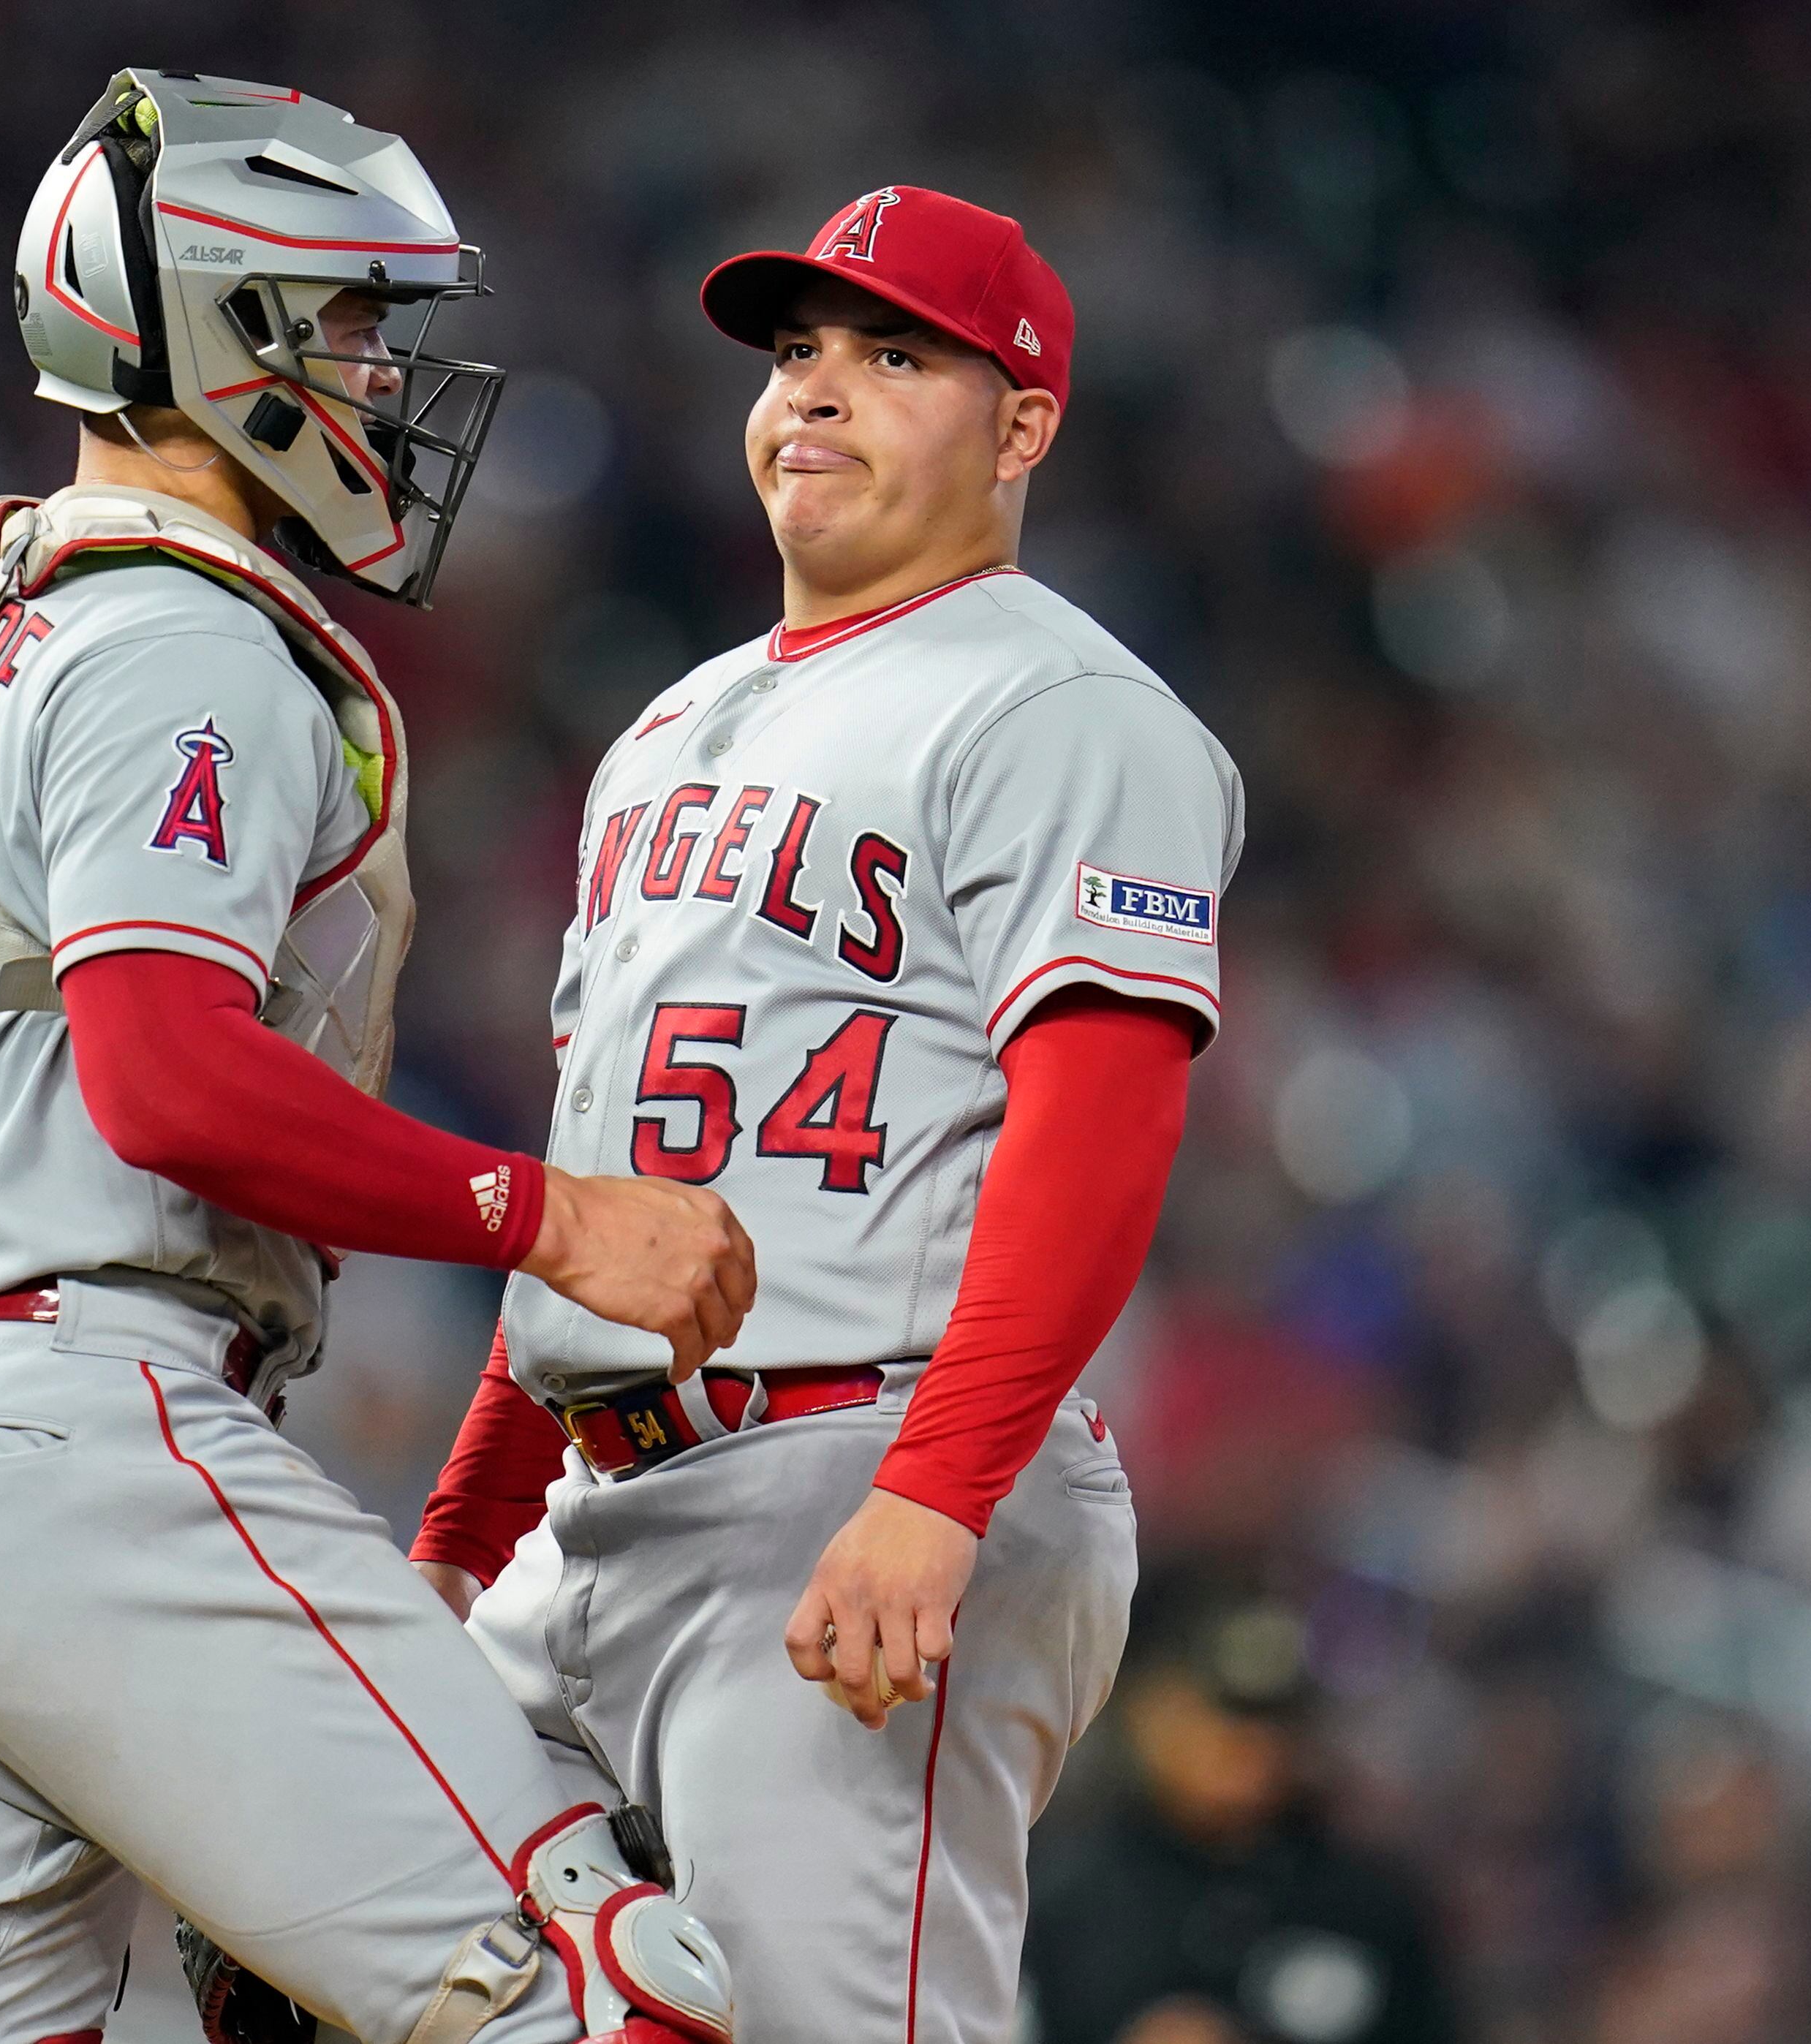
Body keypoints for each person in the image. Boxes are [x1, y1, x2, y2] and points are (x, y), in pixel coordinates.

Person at [0, 70, 747, 2044]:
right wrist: (547, 1220)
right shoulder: (189, 646)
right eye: (356, 322)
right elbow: (169, 1082)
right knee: (615, 1990)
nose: (387, 375)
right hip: (92, 1431)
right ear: (222, 331)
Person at [404, 184, 1247, 2043]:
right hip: (602, 1504)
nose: (820, 390)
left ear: (1023, 423)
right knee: (356, 1944)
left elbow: (1099, 1130)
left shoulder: (1067, 708)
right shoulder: (663, 735)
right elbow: (602, 1206)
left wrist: (933, 1494)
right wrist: (467, 1532)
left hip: (848, 1467)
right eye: (797, 351)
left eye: (894, 354)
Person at [1022, 1581, 1454, 2044]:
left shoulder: (1369, 1908)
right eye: (1221, 1713)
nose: (1248, 1746)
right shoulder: (1061, 1893)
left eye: (1272, 1719)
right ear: (1149, 1712)